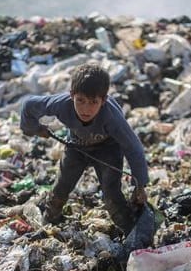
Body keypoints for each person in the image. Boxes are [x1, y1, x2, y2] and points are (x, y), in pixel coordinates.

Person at [20, 63, 148, 235]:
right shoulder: (61, 104)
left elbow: (134, 149)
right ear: (71, 95)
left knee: (111, 193)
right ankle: (50, 220)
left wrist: (140, 185)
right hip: (76, 146)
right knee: (62, 186)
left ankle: (130, 231)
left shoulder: (112, 117)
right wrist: (34, 129)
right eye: (80, 101)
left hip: (107, 149)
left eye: (93, 102)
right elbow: (29, 106)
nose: (86, 109)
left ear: (103, 101)